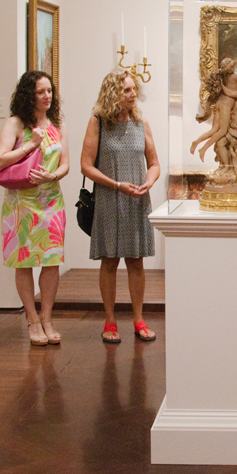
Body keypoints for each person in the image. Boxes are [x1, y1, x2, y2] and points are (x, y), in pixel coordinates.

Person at [80, 70, 159, 344]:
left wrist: (148, 182)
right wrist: (116, 185)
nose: (133, 94)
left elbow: (155, 164)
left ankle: (139, 319)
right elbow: (86, 166)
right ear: (113, 93)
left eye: (133, 89)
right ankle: (110, 321)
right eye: (126, 90)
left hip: (137, 200)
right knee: (110, 261)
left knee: (136, 261)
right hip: (109, 199)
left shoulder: (141, 122)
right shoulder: (98, 122)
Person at [0, 70, 70, 345]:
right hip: (21, 204)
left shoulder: (57, 122)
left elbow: (66, 163)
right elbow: (0, 160)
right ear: (29, 95)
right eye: (41, 92)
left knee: (51, 263)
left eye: (49, 91)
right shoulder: (15, 123)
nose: (47, 96)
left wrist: (53, 175)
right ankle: (32, 319)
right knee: (24, 262)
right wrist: (31, 145)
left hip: (51, 200)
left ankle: (47, 318)